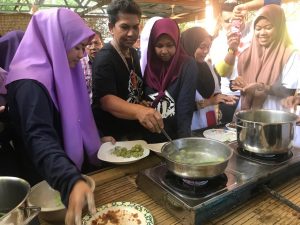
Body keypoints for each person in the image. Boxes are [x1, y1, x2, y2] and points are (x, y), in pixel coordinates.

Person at [6, 8, 114, 225]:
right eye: (78, 47)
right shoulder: (29, 84)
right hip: (44, 182)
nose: (83, 54)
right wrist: (70, 181)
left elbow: (76, 114)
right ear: (56, 41)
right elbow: (39, 136)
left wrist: (97, 137)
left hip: (61, 174)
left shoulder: (60, 71)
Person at [92, 0, 163, 140]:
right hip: (113, 135)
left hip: (132, 130)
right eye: (124, 27)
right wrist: (139, 110)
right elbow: (106, 100)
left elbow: (133, 87)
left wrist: (140, 102)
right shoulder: (104, 58)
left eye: (135, 27)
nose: (131, 33)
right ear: (111, 28)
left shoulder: (133, 52)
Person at [231, 4, 300, 111]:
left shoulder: (290, 54)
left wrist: (262, 87)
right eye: (258, 29)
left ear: (279, 28)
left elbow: (289, 91)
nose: (262, 33)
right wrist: (236, 83)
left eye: (268, 28)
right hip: (247, 116)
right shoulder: (245, 55)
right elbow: (233, 83)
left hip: (274, 117)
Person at [142, 18, 197, 142]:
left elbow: (185, 106)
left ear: (177, 43)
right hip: (148, 138)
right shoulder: (150, 67)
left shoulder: (187, 65)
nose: (164, 51)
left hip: (174, 138)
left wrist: (183, 142)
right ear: (152, 45)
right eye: (159, 46)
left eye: (170, 45)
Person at [181, 27, 238, 130]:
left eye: (208, 47)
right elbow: (180, 106)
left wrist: (223, 98)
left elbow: (215, 93)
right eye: (202, 47)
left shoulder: (207, 66)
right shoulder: (180, 70)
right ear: (190, 44)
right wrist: (209, 102)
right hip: (189, 127)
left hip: (208, 123)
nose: (206, 51)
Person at [81, 30, 104, 102]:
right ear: (84, 46)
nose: (93, 47)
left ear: (102, 44)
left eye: (96, 43)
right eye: (89, 44)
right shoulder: (79, 65)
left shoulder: (110, 63)